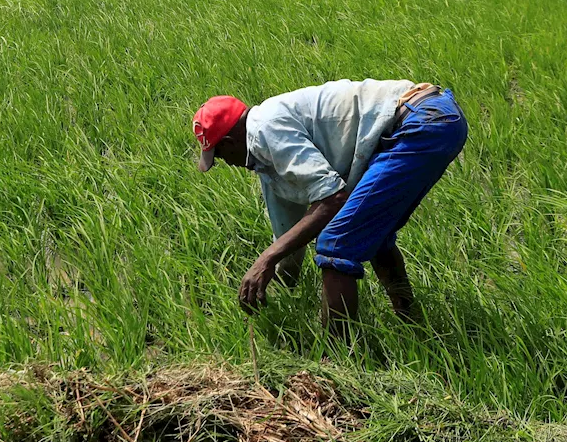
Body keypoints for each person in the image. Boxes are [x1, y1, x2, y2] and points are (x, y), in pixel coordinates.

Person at [193, 79, 467, 339]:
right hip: (434, 119)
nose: (226, 163)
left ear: (229, 143)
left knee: (336, 242)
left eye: (219, 156)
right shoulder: (266, 159)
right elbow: (288, 236)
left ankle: (335, 358)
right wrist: (270, 285)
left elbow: (333, 198)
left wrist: (264, 260)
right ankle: (412, 323)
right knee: (371, 233)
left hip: (420, 123)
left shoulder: (266, 130)